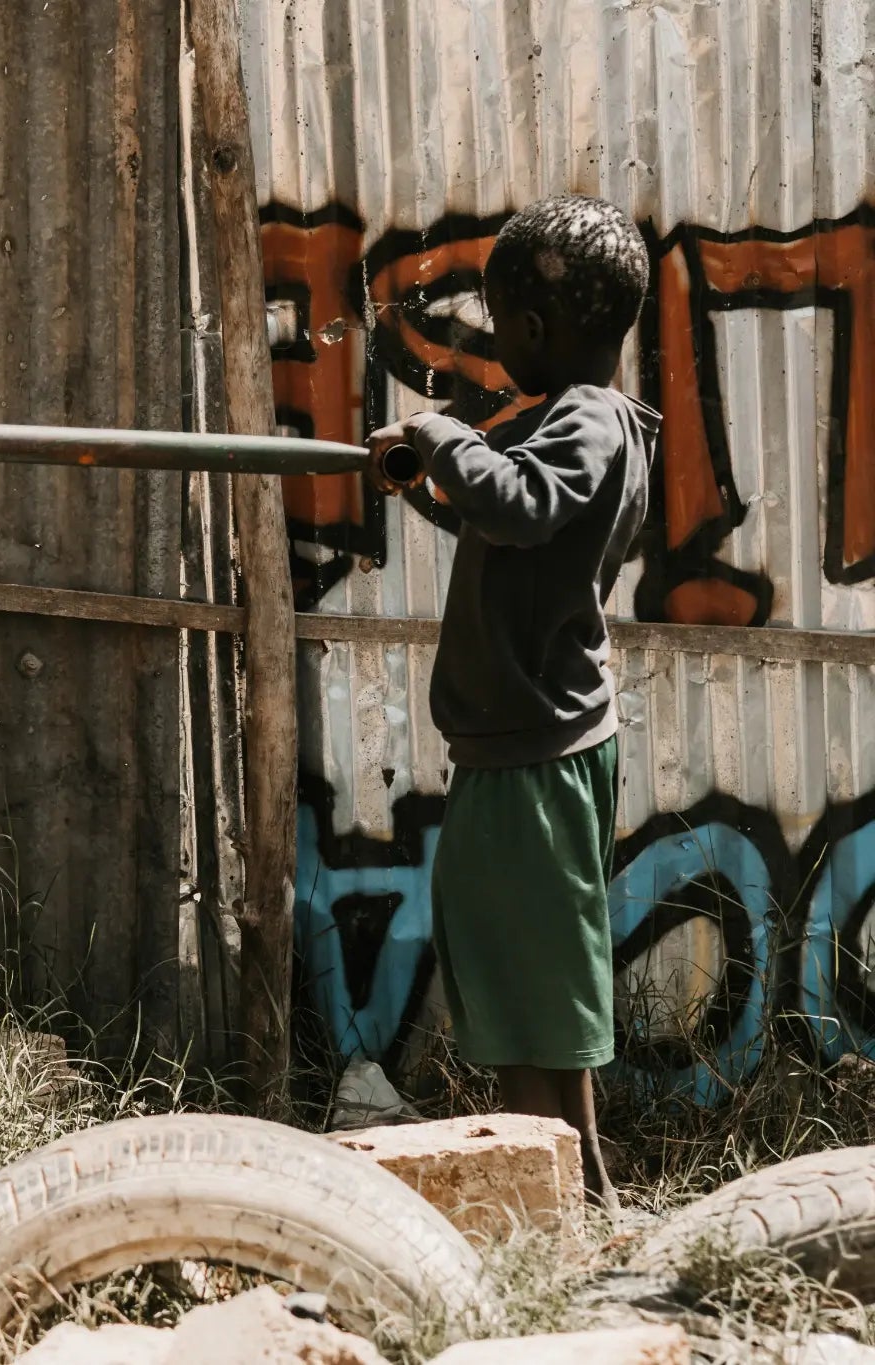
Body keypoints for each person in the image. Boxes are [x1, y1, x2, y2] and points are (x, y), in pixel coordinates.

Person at [368, 194, 658, 1207]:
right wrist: (423, 483)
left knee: (526, 991)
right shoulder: (587, 425)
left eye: (499, 327)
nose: (493, 347)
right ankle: (578, 1191)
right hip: (527, 743)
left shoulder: (581, 417)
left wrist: (443, 435)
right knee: (528, 978)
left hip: (532, 748)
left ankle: (558, 1200)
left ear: (533, 329)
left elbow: (524, 509)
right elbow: (506, 528)